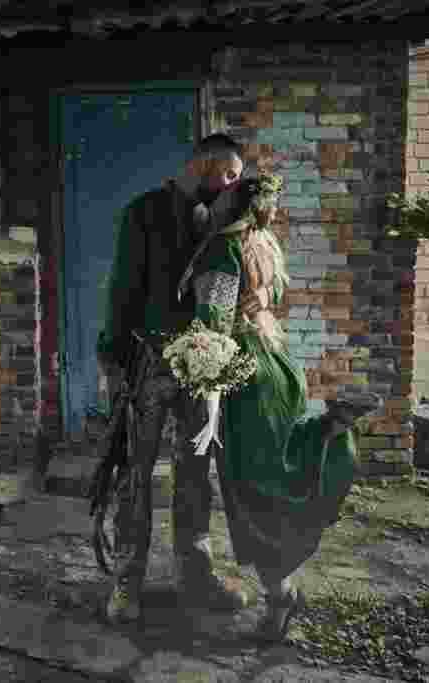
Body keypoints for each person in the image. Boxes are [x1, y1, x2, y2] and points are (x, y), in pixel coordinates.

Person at [184, 167, 383, 640]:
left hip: (247, 378)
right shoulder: (265, 244)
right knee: (275, 472)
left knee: (251, 487)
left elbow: (212, 330)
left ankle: (281, 592)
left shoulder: (224, 249)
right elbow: (270, 295)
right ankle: (324, 443)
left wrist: (204, 392)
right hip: (280, 364)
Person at [96, 134, 251, 623]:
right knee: (135, 477)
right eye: (228, 173)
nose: (233, 184)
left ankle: (196, 574)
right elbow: (121, 290)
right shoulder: (143, 212)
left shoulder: (222, 218)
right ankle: (126, 581)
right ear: (203, 164)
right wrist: (115, 363)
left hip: (203, 368)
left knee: (195, 474)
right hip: (149, 364)